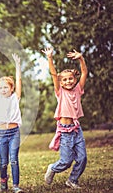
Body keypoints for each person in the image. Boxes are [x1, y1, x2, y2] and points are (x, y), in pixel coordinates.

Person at [42, 47, 88, 189]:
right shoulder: (60, 92)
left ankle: (72, 180)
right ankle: (53, 168)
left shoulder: (78, 90)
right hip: (65, 131)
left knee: (82, 158)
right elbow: (54, 74)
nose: (68, 81)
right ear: (61, 83)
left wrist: (81, 58)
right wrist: (50, 57)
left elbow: (85, 72)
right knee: (66, 161)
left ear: (74, 80)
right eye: (65, 80)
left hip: (76, 129)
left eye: (70, 79)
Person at [0, 52, 24, 193]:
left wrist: (17, 65)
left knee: (14, 159)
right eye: (1, 87)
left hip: (14, 132)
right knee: (4, 162)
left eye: (6, 87)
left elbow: (19, 80)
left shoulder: (16, 97)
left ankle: (16, 186)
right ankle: (3, 180)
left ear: (12, 88)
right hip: (2, 133)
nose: (3, 89)